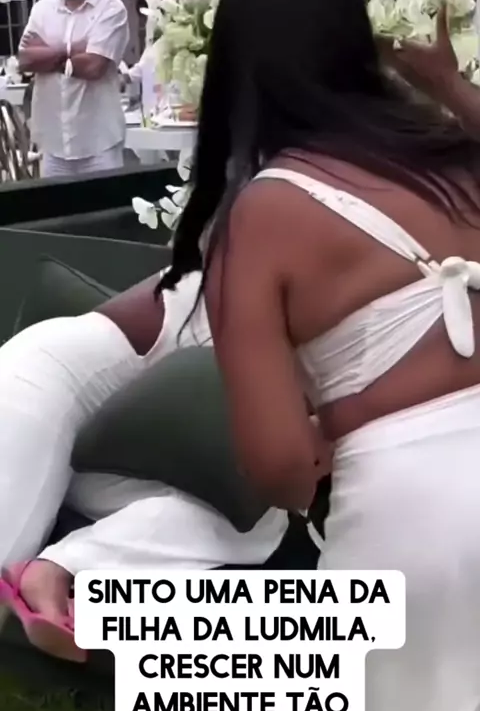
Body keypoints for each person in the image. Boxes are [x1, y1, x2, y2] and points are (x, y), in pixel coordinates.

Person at [152, 0, 480, 711]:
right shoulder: (457, 161)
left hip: (412, 518)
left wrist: (325, 453)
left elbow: (277, 463)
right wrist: (454, 90)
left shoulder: (264, 216)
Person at [0, 268, 290, 663]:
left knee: (259, 522)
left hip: (112, 450)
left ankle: (59, 568)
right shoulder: (262, 270)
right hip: (49, 388)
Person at [17, 0, 129, 179]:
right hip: (53, 144)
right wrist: (73, 51)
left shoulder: (111, 7)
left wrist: (47, 55)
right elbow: (25, 60)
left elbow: (93, 67)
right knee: (56, 199)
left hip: (99, 143)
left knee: (105, 198)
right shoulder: (42, 9)